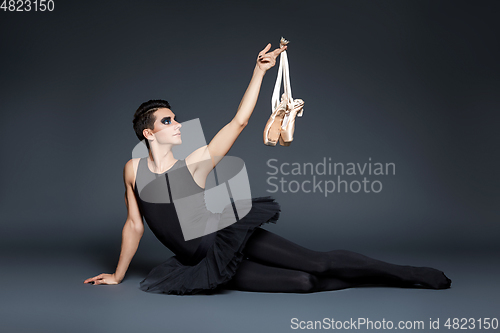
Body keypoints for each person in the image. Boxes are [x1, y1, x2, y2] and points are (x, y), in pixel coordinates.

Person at [84, 43, 452, 294]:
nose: (178, 124)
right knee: (304, 283)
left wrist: (259, 72)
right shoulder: (132, 169)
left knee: (318, 263)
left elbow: (239, 122)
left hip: (228, 235)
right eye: (168, 121)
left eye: (176, 118)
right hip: (204, 260)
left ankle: (407, 274)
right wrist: (118, 275)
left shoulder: (193, 164)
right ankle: (365, 281)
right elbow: (134, 224)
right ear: (149, 133)